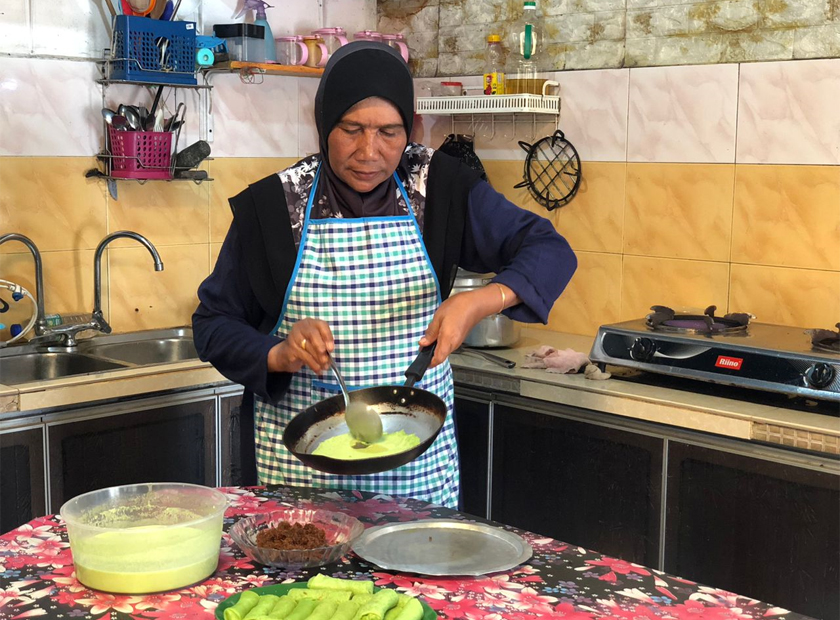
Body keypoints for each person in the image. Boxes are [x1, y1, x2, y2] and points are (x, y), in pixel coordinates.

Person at [192, 41, 576, 509]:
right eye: (351, 129)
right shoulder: (275, 207)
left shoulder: (437, 188)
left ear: (408, 129)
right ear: (323, 124)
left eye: (389, 133)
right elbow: (213, 324)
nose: (369, 151)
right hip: (301, 476)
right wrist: (278, 353)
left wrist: (478, 302)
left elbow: (548, 249)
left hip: (416, 474)